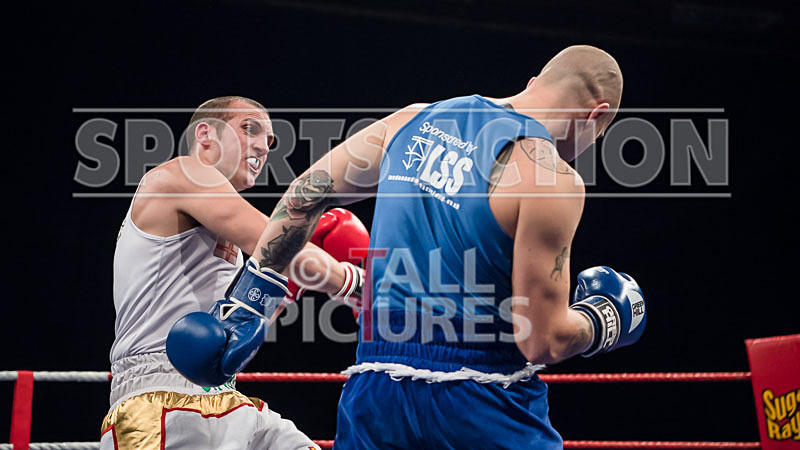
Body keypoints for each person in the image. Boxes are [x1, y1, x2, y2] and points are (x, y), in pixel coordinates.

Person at [214, 44, 644, 447]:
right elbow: (542, 341)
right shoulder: (550, 176)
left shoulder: (415, 119)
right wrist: (603, 318)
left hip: (376, 391)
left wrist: (253, 297)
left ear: (535, 82)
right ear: (595, 116)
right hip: (483, 400)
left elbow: (309, 190)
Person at [101, 96, 367, 450]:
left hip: (225, 396)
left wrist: (288, 287)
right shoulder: (180, 174)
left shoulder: (221, 232)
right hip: (157, 401)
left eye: (270, 140)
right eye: (249, 128)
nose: (263, 145)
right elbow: (272, 238)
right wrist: (357, 283)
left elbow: (242, 327)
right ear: (206, 133)